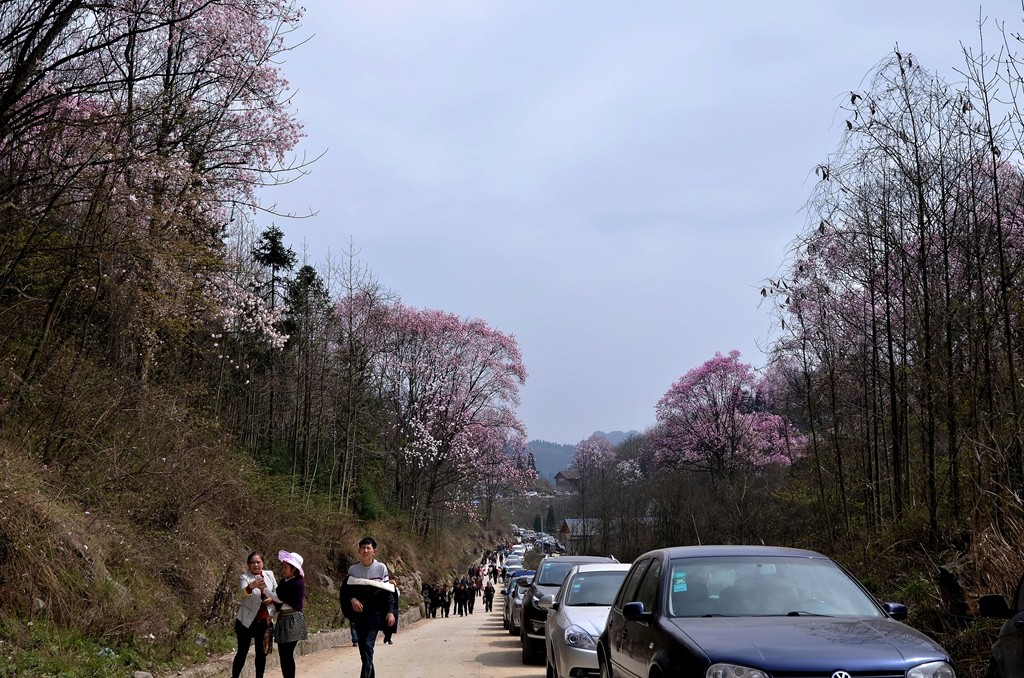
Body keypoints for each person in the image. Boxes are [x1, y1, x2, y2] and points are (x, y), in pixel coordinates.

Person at [340, 536, 398, 678]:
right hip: (359, 615)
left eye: (368, 548)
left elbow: (387, 592)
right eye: (363, 548)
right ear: (359, 551)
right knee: (364, 651)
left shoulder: (381, 568)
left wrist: (390, 612)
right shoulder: (353, 569)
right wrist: (353, 600)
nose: (365, 551)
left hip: (376, 614)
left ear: (374, 551)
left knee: (367, 645)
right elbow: (346, 591)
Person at [231, 551, 277, 678]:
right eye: (252, 562)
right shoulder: (245, 578)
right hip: (246, 621)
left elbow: (277, 593)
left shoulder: (269, 575)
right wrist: (252, 586)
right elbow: (244, 592)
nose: (255, 565)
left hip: (264, 620)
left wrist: (272, 599)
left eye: (258, 562)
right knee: (242, 652)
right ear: (248, 564)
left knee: (261, 653)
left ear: (262, 563)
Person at [267, 550, 308, 678]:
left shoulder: (297, 583)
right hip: (283, 618)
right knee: (283, 654)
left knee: (287, 653)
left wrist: (265, 589)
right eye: (283, 566)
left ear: (294, 569)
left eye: (286, 567)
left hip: (293, 620)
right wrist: (272, 612)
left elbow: (279, 598)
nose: (283, 569)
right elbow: (279, 603)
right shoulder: (284, 581)